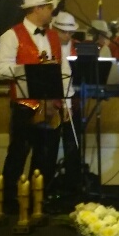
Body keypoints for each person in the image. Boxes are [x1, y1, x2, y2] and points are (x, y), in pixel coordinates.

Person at [0, 0, 70, 209]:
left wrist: (66, 102)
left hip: (51, 105)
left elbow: (64, 70)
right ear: (37, 9)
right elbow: (2, 69)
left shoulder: (53, 36)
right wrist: (32, 71)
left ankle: (38, 201)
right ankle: (9, 203)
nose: (51, 12)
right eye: (48, 7)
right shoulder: (11, 36)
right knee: (18, 154)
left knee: (46, 156)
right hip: (24, 106)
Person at [50, 11, 83, 194]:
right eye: (63, 32)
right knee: (50, 145)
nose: (67, 36)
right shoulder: (47, 45)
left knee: (73, 146)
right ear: (54, 29)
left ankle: (73, 186)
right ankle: (47, 186)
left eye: (70, 32)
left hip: (74, 102)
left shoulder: (78, 48)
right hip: (52, 103)